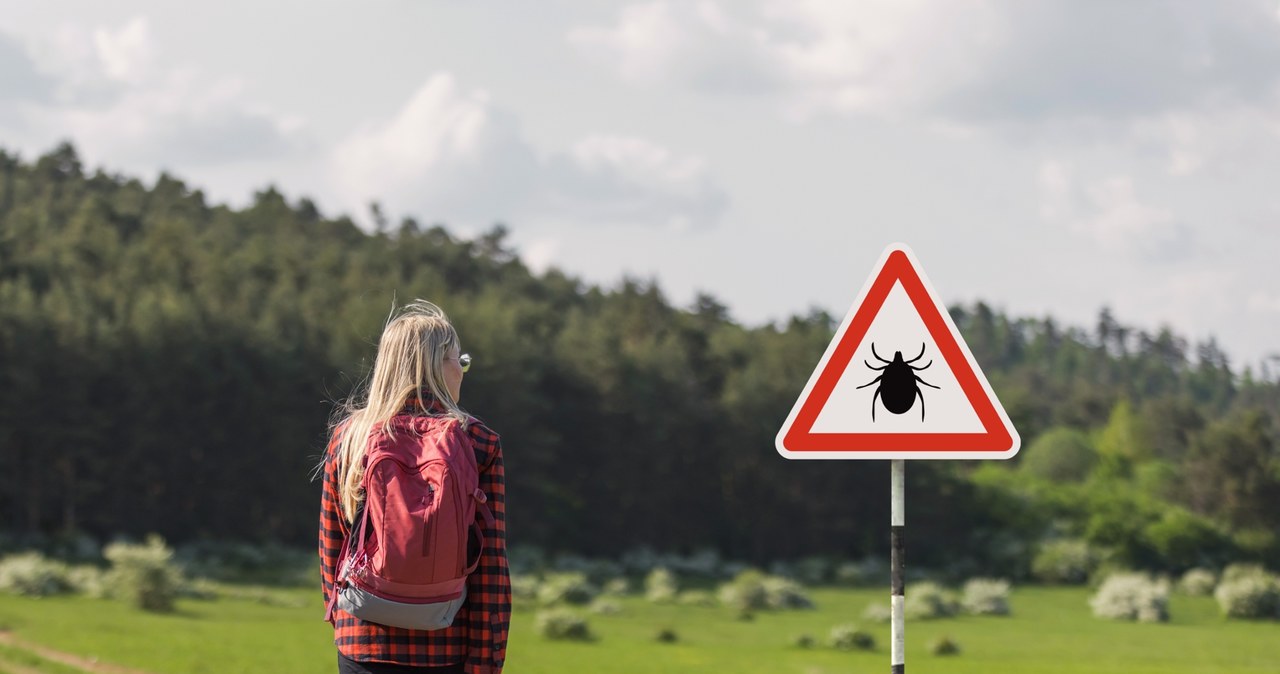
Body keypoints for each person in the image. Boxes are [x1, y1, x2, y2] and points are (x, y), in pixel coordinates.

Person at [319, 300, 510, 674]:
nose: (463, 370)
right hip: (446, 644)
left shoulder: (351, 436)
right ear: (439, 366)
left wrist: (345, 624)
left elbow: (332, 543)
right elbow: (489, 566)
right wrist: (486, 661)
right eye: (461, 359)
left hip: (364, 642)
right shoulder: (477, 442)